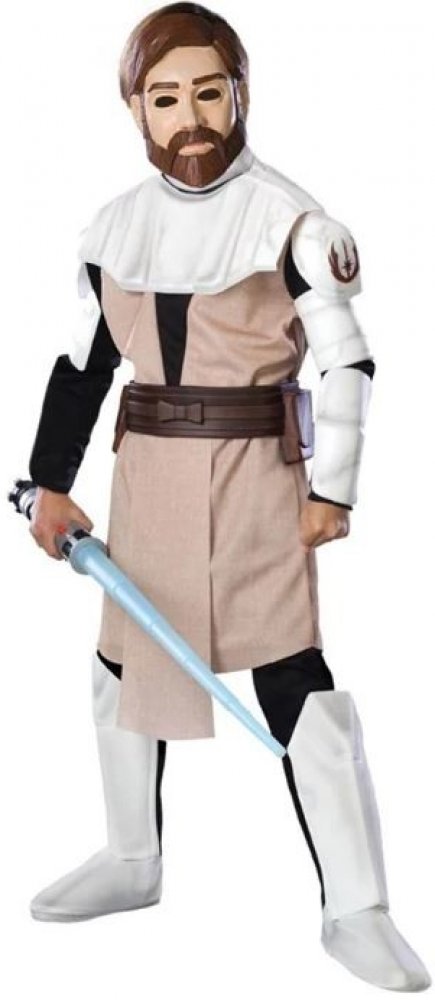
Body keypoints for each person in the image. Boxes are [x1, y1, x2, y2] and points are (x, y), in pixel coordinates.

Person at [27, 2, 430, 991]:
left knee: (297, 684)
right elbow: (83, 369)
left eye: (209, 91)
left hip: (256, 479)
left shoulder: (292, 223)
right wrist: (49, 484)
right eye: (166, 97)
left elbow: (346, 362)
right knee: (120, 670)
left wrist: (331, 491)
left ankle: (356, 907)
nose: (190, 116)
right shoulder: (112, 229)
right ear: (137, 109)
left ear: (239, 94)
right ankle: (132, 856)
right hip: (147, 480)